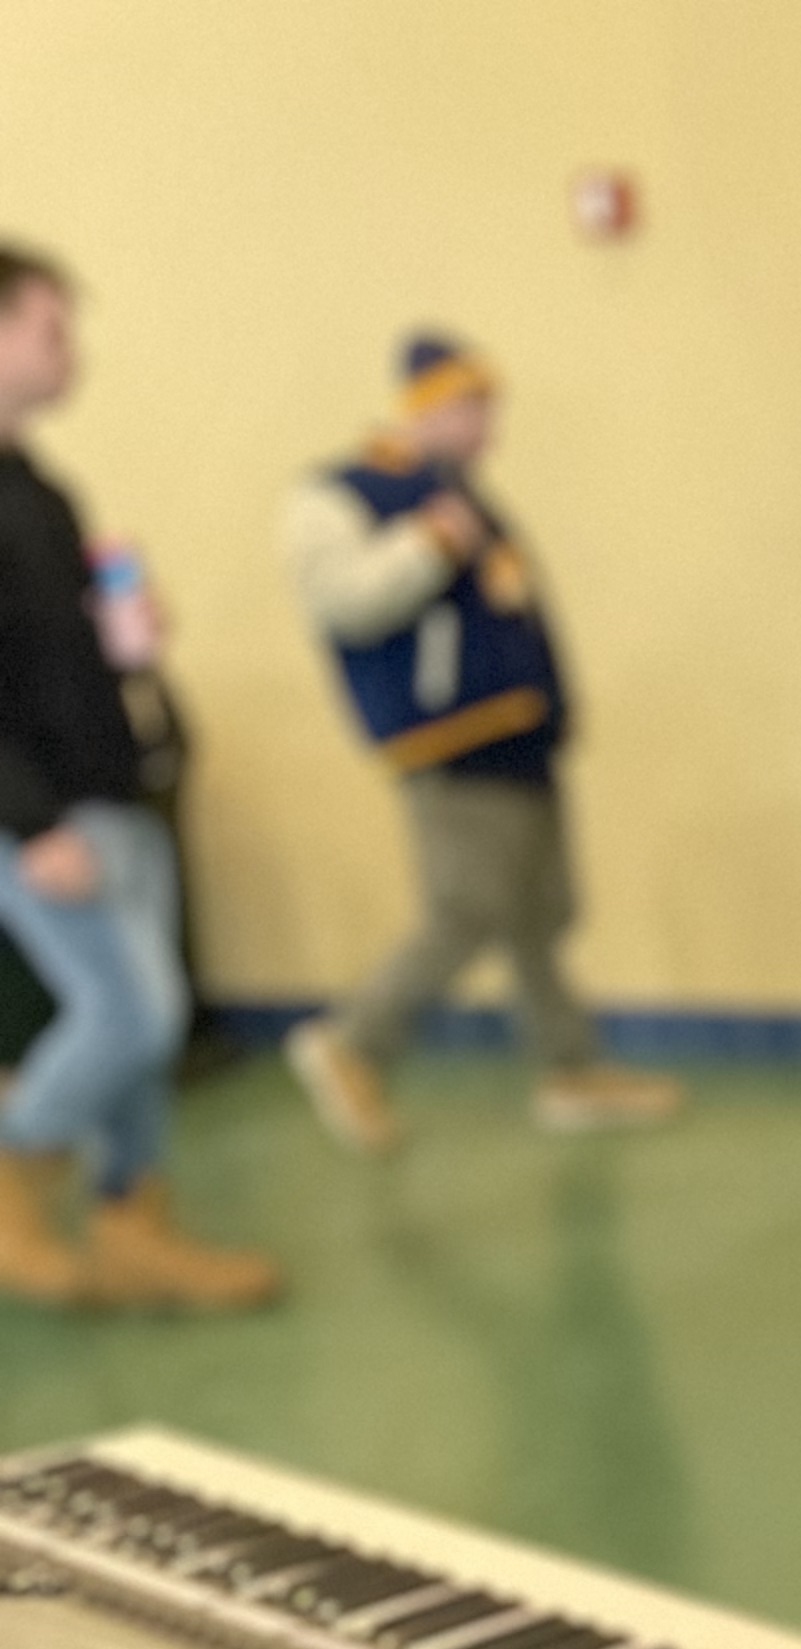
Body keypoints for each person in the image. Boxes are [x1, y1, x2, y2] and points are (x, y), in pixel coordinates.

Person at [278, 332, 680, 1152]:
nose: (488, 429)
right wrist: (429, 544)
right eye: (473, 410)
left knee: (540, 913)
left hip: (518, 735)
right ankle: (355, 1044)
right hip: (451, 744)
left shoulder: (460, 491)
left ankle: (570, 1070)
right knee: (466, 910)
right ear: (428, 407)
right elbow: (343, 601)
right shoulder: (347, 494)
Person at [0, 243, 278, 1312]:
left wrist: (125, 645)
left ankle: (132, 1223)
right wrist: (30, 825)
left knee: (144, 1046)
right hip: (42, 819)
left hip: (114, 795)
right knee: (135, 1015)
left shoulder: (42, 492)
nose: (72, 351)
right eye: (50, 329)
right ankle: (18, 1155)